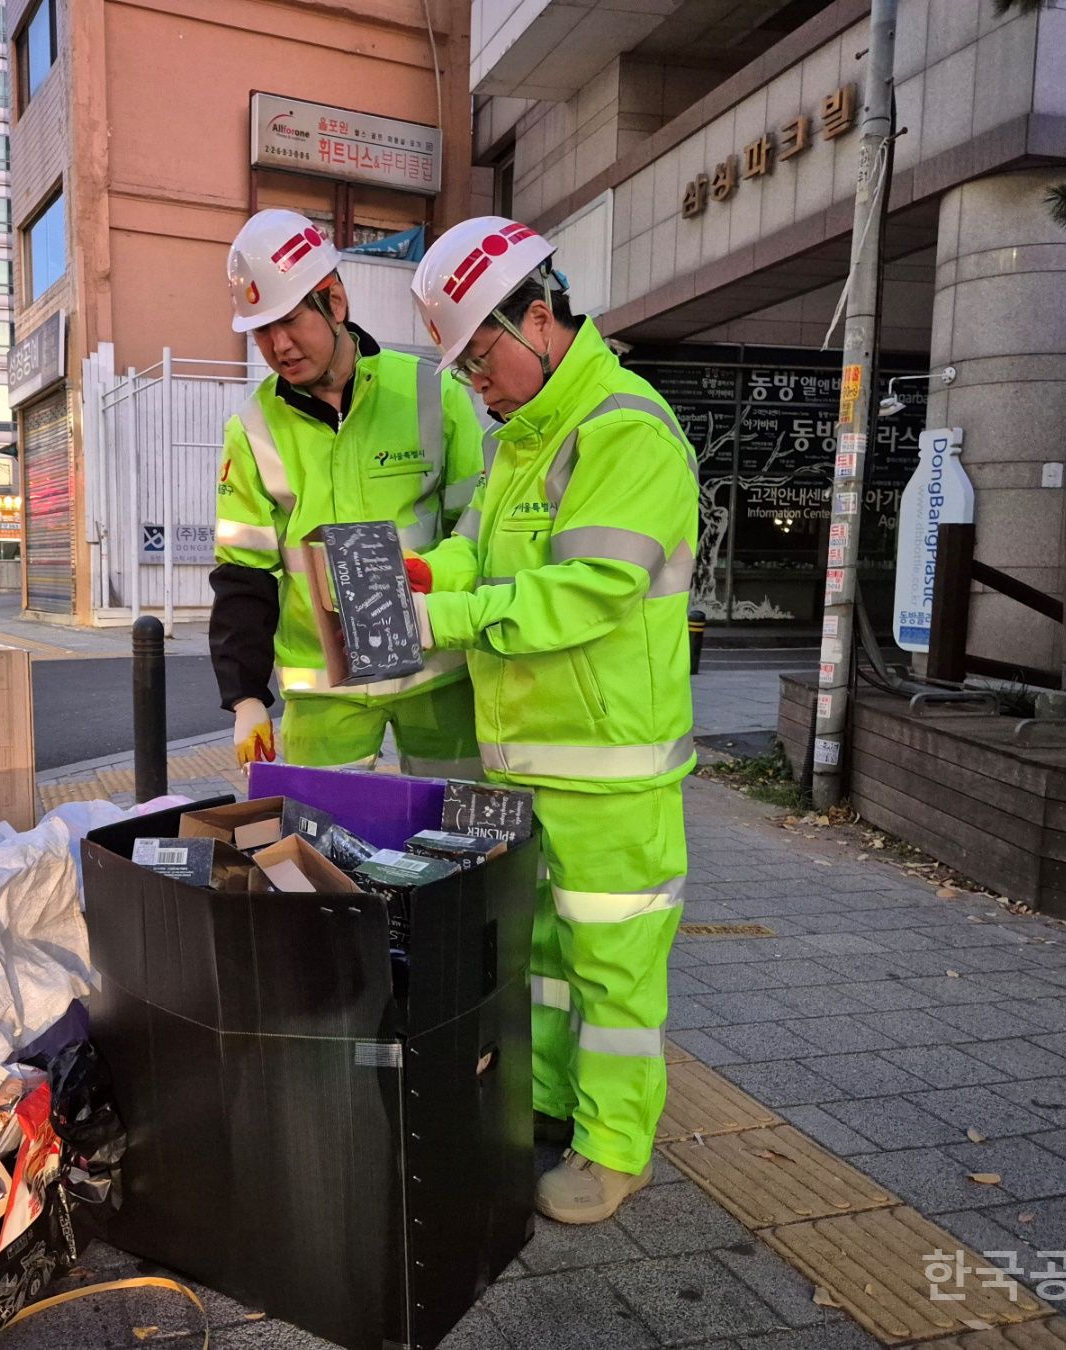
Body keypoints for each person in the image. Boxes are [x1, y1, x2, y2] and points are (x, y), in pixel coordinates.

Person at [407, 216, 699, 1225]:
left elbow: (585, 594)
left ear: (539, 317)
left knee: (613, 975)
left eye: (481, 357)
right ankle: (550, 1107)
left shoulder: (624, 430)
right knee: (545, 961)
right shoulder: (516, 447)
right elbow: (475, 558)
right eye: (465, 366)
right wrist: (418, 576)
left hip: (614, 774)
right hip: (532, 767)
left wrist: (439, 614)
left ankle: (617, 1154)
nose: (475, 382)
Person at [210, 208, 485, 775]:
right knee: (318, 849)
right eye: (262, 329)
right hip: (323, 695)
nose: (279, 345)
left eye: (289, 320)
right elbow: (244, 575)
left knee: (458, 840)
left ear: (334, 301)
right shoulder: (253, 430)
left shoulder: (431, 395)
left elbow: (481, 532)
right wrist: (245, 697)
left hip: (438, 674)